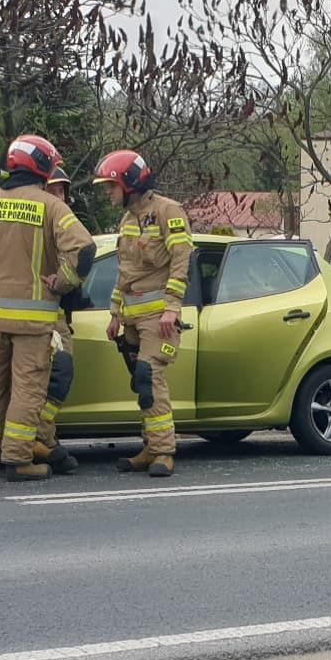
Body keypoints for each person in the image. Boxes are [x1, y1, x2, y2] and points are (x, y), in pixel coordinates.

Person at [0, 135, 93, 481]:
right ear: (42, 168)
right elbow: (84, 251)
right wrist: (62, 282)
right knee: (27, 389)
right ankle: (18, 459)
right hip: (34, 321)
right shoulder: (52, 206)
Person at [93, 149, 191, 478]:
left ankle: (163, 451)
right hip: (132, 316)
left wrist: (171, 308)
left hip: (158, 318)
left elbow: (180, 260)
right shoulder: (128, 219)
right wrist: (115, 312)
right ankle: (150, 446)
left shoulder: (167, 211)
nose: (106, 193)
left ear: (130, 183)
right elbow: (125, 270)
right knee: (141, 384)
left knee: (151, 378)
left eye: (111, 185)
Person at [32, 168, 90, 475]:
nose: (60, 197)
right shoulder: (37, 225)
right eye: (53, 190)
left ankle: (45, 441)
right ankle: (40, 440)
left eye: (63, 191)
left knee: (50, 382)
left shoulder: (64, 225)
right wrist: (61, 284)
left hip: (57, 316)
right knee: (57, 376)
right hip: (41, 318)